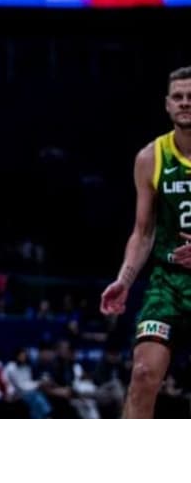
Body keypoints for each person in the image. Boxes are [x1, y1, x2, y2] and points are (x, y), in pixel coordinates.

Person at [101, 65, 191, 418]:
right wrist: (124, 280)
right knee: (142, 374)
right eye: (178, 97)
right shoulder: (150, 157)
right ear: (167, 105)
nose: (185, 103)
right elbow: (143, 232)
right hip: (167, 282)